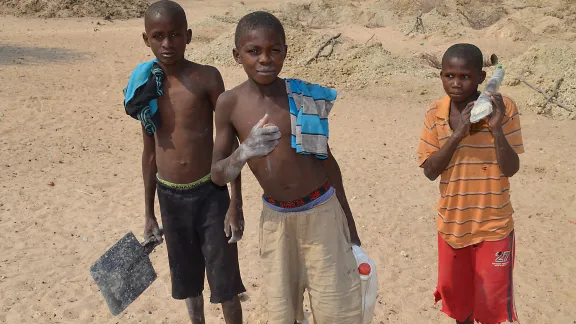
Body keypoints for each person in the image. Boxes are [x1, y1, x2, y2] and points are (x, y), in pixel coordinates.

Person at [210, 11, 363, 324]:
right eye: (254, 51)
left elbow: (327, 160)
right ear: (237, 55)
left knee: (334, 309)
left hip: (322, 212)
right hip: (276, 220)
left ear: (285, 51)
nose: (265, 59)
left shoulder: (301, 97)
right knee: (283, 313)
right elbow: (217, 173)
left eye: (274, 50)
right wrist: (246, 151)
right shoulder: (230, 103)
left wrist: (348, 222)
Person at [124, 1, 246, 323]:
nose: (167, 44)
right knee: (189, 285)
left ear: (188, 36)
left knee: (226, 285)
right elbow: (149, 153)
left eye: (175, 34)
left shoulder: (207, 78)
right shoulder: (145, 89)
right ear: (146, 39)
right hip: (170, 198)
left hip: (211, 195)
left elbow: (229, 142)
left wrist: (236, 203)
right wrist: (149, 212)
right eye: (158, 36)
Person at [417, 43, 524, 324]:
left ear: (480, 76)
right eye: (449, 76)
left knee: (490, 309)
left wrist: (496, 129)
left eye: (464, 76)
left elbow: (511, 168)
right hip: (453, 225)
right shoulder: (435, 112)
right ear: (440, 75)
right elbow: (429, 171)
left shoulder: (504, 107)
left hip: (495, 225)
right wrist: (457, 134)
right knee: (460, 307)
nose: (455, 84)